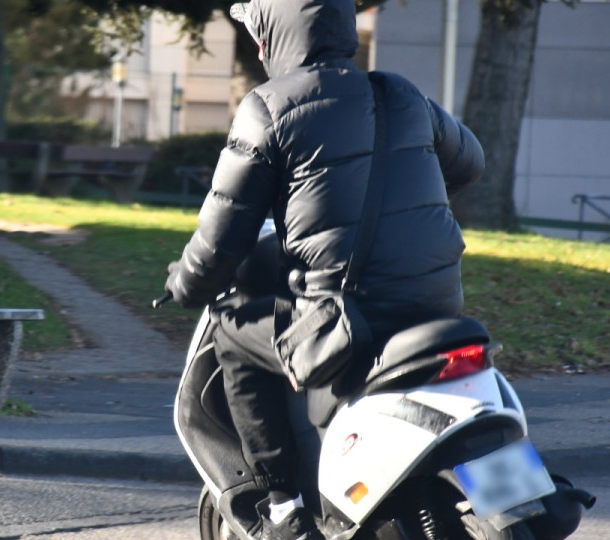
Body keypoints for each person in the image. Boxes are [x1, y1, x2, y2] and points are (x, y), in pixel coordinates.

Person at [164, 0, 484, 538]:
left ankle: (284, 504)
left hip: (347, 317)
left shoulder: (269, 107)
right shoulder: (400, 92)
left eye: (259, 34)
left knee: (233, 331)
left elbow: (221, 241)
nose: (259, 48)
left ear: (275, 36)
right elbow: (469, 163)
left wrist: (185, 282)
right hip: (435, 306)